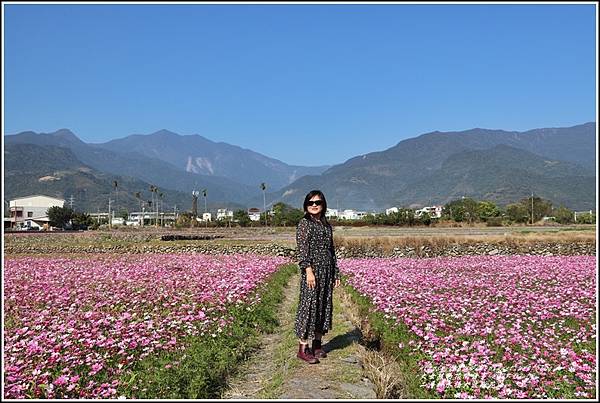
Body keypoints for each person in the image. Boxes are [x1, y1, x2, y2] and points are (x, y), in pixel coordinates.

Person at [294, 189, 341, 364]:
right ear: (306, 206)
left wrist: (336, 273)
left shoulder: (326, 225)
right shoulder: (304, 224)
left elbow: (332, 251)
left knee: (323, 306)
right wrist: (308, 271)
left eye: (317, 202)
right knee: (308, 307)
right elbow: (302, 250)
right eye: (310, 203)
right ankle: (303, 348)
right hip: (312, 272)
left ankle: (317, 344)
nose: (314, 205)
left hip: (327, 270)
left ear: (323, 205)